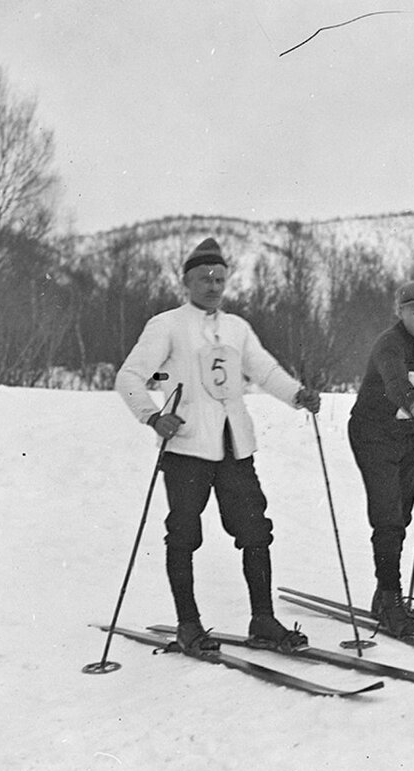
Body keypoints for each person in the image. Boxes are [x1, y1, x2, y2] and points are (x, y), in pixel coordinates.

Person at [115, 237, 322, 654]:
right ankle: (188, 626)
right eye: (204, 278)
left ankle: (263, 620)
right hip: (187, 448)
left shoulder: (236, 328)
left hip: (235, 448)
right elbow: (129, 376)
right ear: (187, 282)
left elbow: (264, 369)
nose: (213, 285)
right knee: (184, 534)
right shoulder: (168, 324)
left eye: (219, 278)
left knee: (255, 531)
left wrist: (297, 394)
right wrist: (153, 416)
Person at [348, 281, 414, 637]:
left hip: (407, 435)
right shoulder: (388, 343)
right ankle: (390, 599)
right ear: (400, 312)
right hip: (373, 433)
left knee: (402, 515)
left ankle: (384, 594)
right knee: (388, 517)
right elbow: (396, 384)